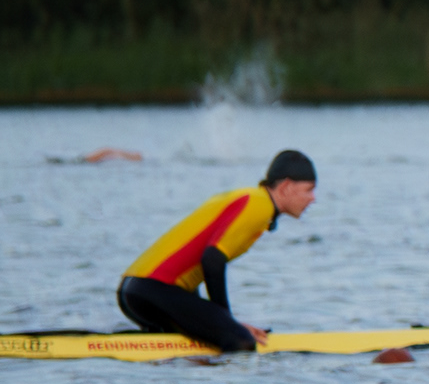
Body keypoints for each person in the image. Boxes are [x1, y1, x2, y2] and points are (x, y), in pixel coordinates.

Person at [118, 150, 317, 353]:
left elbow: (192, 261)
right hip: (152, 292)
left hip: (135, 290)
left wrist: (220, 322)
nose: (313, 198)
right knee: (241, 342)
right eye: (309, 190)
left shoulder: (248, 197)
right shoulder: (260, 205)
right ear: (285, 187)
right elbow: (212, 259)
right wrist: (227, 322)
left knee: (225, 334)